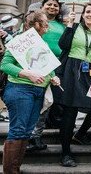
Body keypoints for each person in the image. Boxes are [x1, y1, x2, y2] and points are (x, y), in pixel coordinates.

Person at [1, 10, 61, 174]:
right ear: (36, 24)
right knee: (18, 130)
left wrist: (54, 77)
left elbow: (46, 66)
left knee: (27, 131)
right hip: (20, 90)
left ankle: (16, 169)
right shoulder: (20, 40)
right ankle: (10, 171)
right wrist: (28, 74)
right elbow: (5, 65)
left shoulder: (41, 42)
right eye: (45, 22)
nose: (47, 24)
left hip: (38, 92)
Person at [58, 3, 91, 167]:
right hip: (72, 69)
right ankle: (65, 153)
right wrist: (69, 24)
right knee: (70, 111)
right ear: (83, 15)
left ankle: (80, 134)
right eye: (87, 12)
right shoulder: (75, 27)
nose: (90, 14)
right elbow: (63, 45)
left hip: (90, 71)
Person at [27, 0, 66, 152]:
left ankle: (36, 137)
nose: (52, 7)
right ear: (41, 7)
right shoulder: (34, 23)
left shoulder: (61, 26)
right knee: (35, 103)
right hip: (35, 67)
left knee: (46, 104)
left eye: (56, 5)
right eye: (49, 4)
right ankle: (29, 136)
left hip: (54, 69)